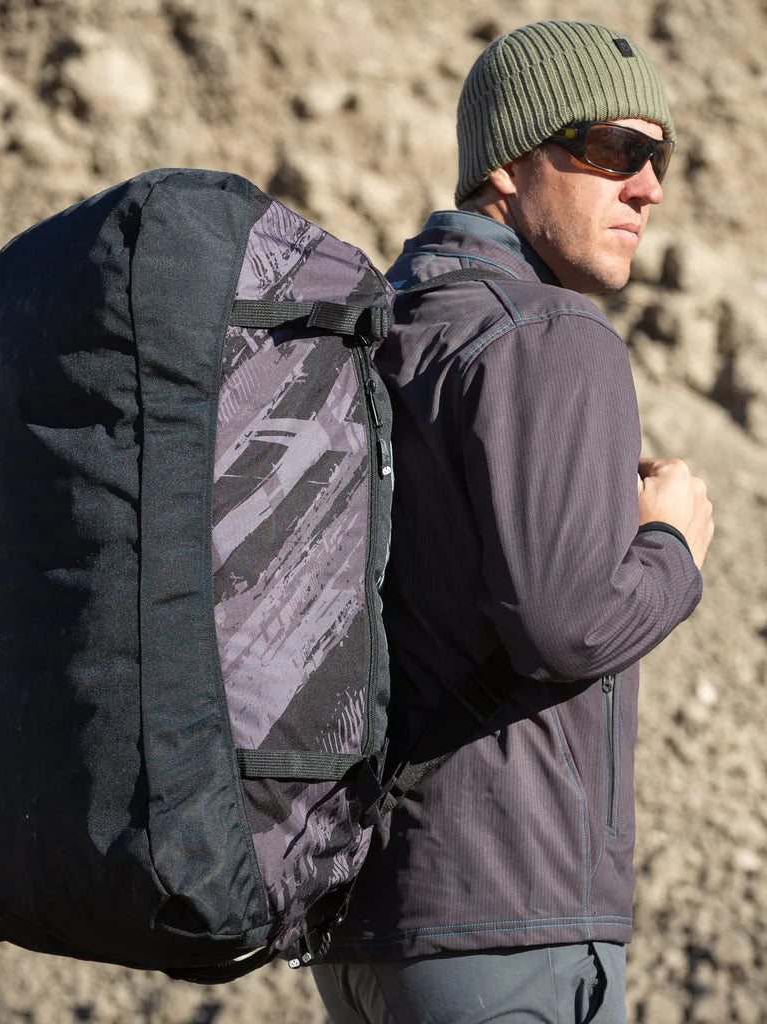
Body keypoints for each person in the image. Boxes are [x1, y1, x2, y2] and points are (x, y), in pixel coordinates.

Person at [311, 20, 714, 1024]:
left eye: (658, 158)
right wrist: (671, 546)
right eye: (613, 150)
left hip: (366, 931)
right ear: (506, 164)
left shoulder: (382, 332)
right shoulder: (549, 334)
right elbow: (564, 625)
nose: (648, 188)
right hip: (505, 930)